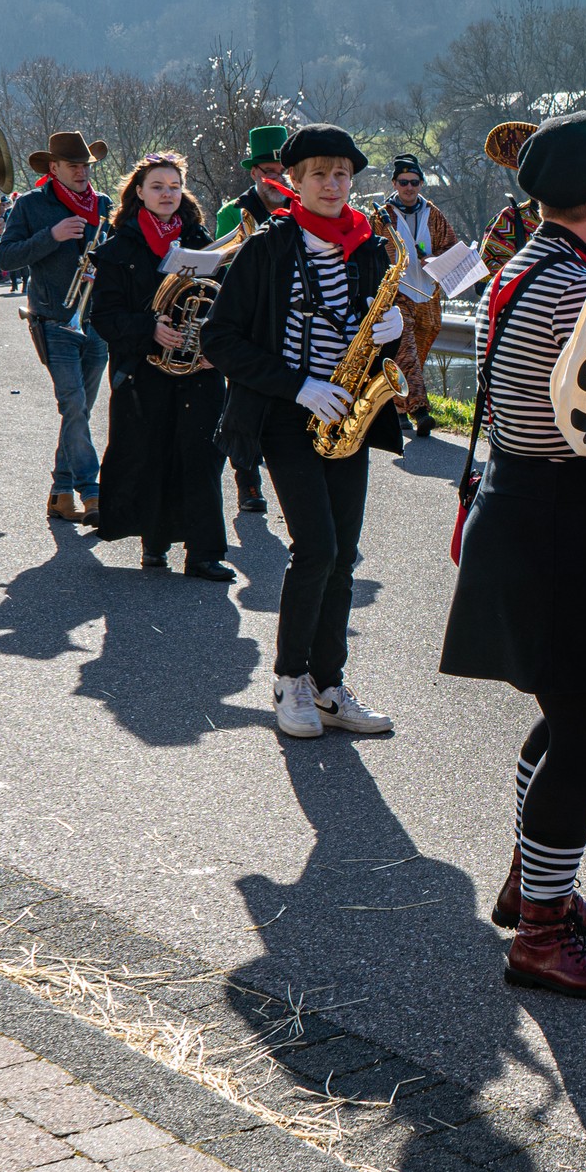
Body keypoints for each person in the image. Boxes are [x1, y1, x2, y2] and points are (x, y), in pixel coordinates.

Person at [440, 110, 586, 999]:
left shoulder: (524, 266)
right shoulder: (576, 289)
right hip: (558, 517)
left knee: (567, 719)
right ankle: (543, 932)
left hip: (525, 510)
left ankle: (536, 880)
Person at [199, 123, 405, 740]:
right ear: (292, 181)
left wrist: (391, 332)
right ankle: (290, 681)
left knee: (342, 554)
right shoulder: (267, 249)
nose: (334, 184)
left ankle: (328, 684)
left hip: (348, 413)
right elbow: (220, 337)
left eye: (342, 174)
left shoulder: (369, 248)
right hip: (288, 417)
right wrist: (297, 386)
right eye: (319, 174)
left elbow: (367, 327)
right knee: (315, 548)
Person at [90, 152, 233, 580]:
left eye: (174, 186)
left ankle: (205, 552)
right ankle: (154, 543)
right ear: (139, 193)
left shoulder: (204, 241)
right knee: (151, 454)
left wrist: (213, 345)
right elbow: (103, 316)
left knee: (202, 457)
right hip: (145, 369)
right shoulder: (117, 249)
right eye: (157, 186)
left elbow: (226, 304)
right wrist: (149, 329)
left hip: (200, 369)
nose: (166, 194)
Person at [0, 130, 112, 525]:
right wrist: (52, 235)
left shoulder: (105, 204)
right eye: (73, 166)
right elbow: (6, 258)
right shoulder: (31, 205)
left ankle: (61, 492)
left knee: (78, 410)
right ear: (54, 168)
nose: (82, 172)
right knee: (74, 404)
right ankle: (92, 492)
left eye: (86, 166)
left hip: (96, 322)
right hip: (52, 320)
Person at [211, 125, 294, 515]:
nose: (277, 179)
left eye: (283, 171)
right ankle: (247, 481)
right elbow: (221, 267)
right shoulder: (234, 211)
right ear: (254, 174)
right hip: (246, 316)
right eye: (269, 172)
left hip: (287, 317)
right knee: (242, 399)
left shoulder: (298, 208)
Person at [374, 155, 461, 438]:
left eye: (414, 182)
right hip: (397, 294)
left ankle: (397, 407)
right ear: (394, 183)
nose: (409, 187)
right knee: (407, 348)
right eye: (403, 182)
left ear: (421, 183)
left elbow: (451, 247)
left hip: (429, 293)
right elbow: (370, 253)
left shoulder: (432, 213)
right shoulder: (381, 216)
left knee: (416, 353)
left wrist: (434, 259)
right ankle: (420, 411)